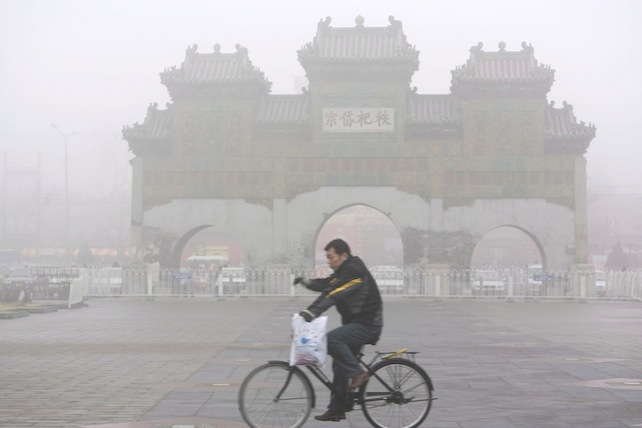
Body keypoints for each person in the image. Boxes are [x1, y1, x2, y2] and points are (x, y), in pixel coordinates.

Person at [294, 238, 383, 422]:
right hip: (357, 323)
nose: (329, 261)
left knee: (332, 340)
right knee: (340, 364)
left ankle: (358, 374)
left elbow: (334, 294)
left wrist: (312, 312)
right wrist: (306, 282)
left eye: (331, 257)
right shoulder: (344, 271)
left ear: (344, 255)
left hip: (367, 324)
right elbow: (327, 285)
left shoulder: (354, 271)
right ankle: (337, 409)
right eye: (327, 257)